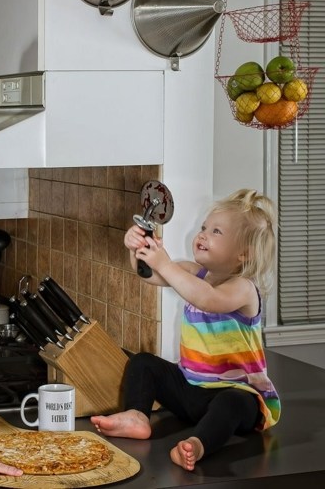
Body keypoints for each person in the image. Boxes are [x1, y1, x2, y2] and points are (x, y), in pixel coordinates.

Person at [91, 189, 280, 471]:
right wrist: (140, 250)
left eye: (216, 231)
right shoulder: (194, 272)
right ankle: (136, 416)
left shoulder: (243, 288)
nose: (202, 234)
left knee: (231, 403)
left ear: (243, 253)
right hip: (191, 388)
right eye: (204, 227)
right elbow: (150, 275)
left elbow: (206, 298)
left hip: (236, 392)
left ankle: (198, 445)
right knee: (143, 362)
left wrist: (165, 263)